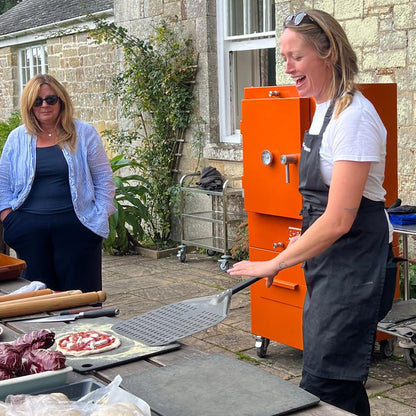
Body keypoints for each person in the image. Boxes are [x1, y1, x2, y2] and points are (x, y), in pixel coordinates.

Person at [228, 10, 396, 416]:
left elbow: (339, 219)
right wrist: (301, 242)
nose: (287, 68)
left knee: (324, 382)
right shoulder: (324, 108)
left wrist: (275, 265)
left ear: (328, 53)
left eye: (296, 57)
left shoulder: (353, 118)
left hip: (357, 264)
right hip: (332, 261)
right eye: (283, 57)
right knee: (338, 381)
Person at [0, 74, 116, 293]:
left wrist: (101, 214)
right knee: (37, 298)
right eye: (37, 101)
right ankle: (43, 330)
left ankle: (84, 330)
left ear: (61, 101)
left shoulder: (84, 134)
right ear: (29, 105)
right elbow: (2, 183)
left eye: (51, 99)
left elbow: (103, 179)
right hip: (29, 230)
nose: (44, 105)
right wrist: (10, 218)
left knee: (81, 297)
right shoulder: (17, 138)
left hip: (77, 227)